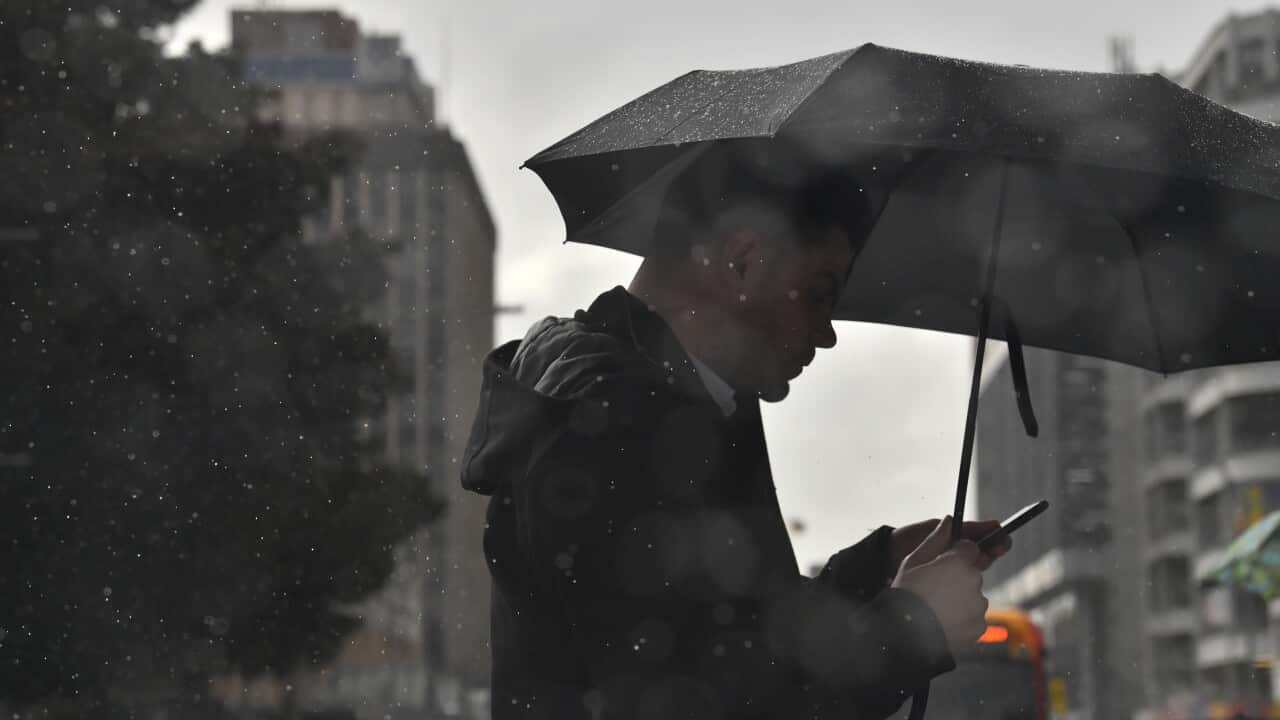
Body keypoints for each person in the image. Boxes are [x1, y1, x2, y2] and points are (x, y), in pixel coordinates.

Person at [461, 142, 1010, 720]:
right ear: (743, 261)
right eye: (821, 292)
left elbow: (734, 645)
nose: (827, 334)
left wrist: (872, 570)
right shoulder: (616, 423)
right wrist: (912, 630)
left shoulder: (661, 405)